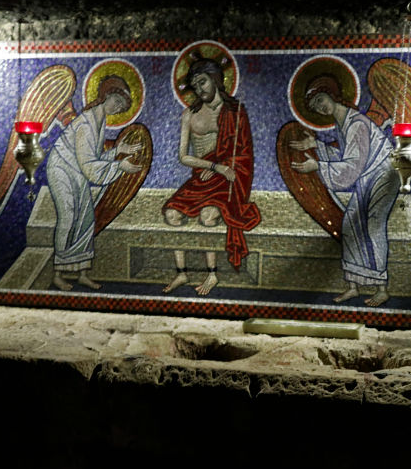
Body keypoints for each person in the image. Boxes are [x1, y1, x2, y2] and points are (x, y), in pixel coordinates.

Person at [289, 75, 400, 307]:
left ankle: (382, 289)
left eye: (320, 99)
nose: (320, 107)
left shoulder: (356, 123)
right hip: (367, 175)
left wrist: (318, 165)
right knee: (350, 224)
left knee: (374, 224)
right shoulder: (343, 123)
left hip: (384, 173)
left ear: (331, 93)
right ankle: (353, 286)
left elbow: (351, 167)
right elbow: (347, 157)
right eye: (315, 106)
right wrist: (317, 146)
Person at [162, 59, 260, 296]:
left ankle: (213, 273)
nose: (200, 89)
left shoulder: (235, 111)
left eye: (203, 81)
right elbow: (184, 156)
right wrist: (214, 165)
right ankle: (182, 272)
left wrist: (223, 168)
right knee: (171, 213)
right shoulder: (190, 114)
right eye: (195, 85)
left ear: (215, 79)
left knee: (207, 216)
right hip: (204, 176)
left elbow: (244, 154)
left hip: (226, 181)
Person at [48, 75, 143, 291]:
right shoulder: (87, 124)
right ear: (106, 95)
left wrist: (118, 151)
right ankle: (57, 274)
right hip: (61, 168)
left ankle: (82, 272)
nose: (118, 108)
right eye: (117, 101)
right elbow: (91, 168)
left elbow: (94, 157)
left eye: (122, 107)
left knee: (86, 218)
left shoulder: (99, 120)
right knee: (68, 216)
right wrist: (120, 166)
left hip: (77, 169)